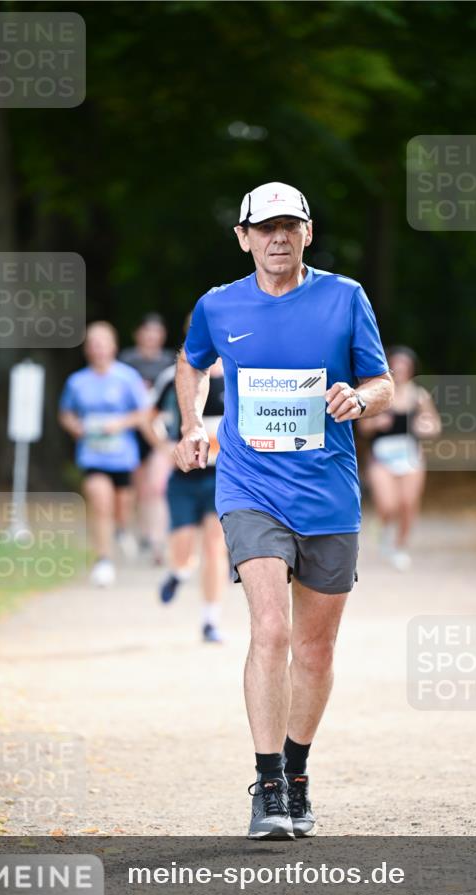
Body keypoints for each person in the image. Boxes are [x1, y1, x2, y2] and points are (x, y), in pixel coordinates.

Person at [173, 181, 393, 839]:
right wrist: (191, 422)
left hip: (327, 493)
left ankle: (296, 772)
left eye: (288, 226)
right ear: (242, 237)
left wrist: (360, 399)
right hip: (250, 489)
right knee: (269, 628)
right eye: (263, 227)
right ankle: (266, 784)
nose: (276, 237)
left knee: (315, 649)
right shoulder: (217, 305)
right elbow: (193, 365)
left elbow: (381, 382)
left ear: (306, 232)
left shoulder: (344, 297)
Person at [59, 321, 151, 587]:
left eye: (103, 344)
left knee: (121, 507)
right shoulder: (77, 381)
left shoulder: (127, 377)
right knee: (100, 502)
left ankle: (122, 528)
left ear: (113, 347)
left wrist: (120, 424)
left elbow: (144, 412)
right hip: (91, 454)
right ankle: (103, 560)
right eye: (93, 345)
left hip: (122, 455)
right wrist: (74, 426)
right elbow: (65, 413)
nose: (98, 350)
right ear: (87, 349)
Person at [156, 351, 228, 643]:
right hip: (185, 476)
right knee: (183, 548)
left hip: (221, 476)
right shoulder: (173, 377)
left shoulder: (240, 375)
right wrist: (164, 447)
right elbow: (150, 417)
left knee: (214, 547)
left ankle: (210, 620)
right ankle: (178, 572)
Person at [358, 345, 441, 571]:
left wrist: (424, 428)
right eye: (396, 365)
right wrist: (376, 422)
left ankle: (400, 547)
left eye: (405, 366)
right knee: (388, 505)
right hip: (381, 457)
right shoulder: (379, 393)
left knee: (407, 503)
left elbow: (434, 425)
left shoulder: (419, 395)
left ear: (412, 369)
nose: (401, 369)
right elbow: (363, 428)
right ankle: (385, 529)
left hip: (410, 456)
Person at [119, 314, 175, 563]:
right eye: (147, 331)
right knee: (139, 484)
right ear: (138, 334)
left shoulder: (169, 362)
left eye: (156, 331)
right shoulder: (126, 361)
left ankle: (155, 538)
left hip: (158, 428)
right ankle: (143, 530)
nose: (151, 336)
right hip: (132, 428)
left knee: (156, 485)